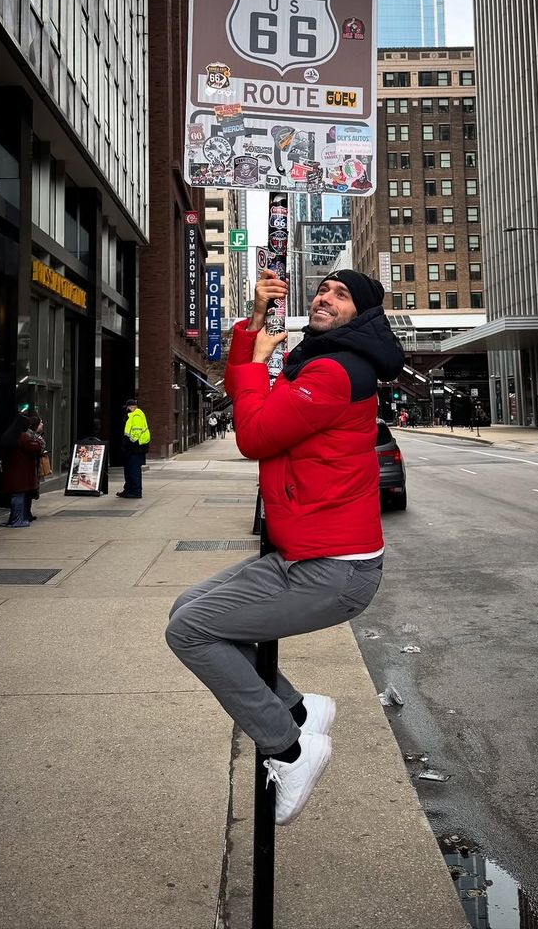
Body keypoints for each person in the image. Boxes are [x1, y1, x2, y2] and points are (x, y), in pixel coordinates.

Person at [165, 267, 404, 826]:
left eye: (342, 296)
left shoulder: (336, 371)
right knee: (187, 611)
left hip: (334, 570)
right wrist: (251, 325)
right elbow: (246, 397)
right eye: (323, 289)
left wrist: (253, 368)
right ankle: (299, 707)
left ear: (363, 314)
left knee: (189, 631)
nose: (325, 298)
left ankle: (290, 749)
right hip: (303, 555)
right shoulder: (318, 361)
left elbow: (253, 435)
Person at [0, 413, 43, 526]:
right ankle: (18, 520)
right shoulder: (23, 437)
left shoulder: (8, 436)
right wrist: (38, 441)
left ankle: (15, 518)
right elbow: (35, 447)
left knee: (15, 495)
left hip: (11, 471)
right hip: (22, 472)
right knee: (20, 496)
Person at [117, 399, 150, 499]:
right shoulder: (133, 415)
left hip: (135, 447)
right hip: (134, 447)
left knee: (133, 470)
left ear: (131, 407)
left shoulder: (136, 415)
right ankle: (128, 490)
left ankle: (136, 491)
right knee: (129, 469)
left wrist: (129, 442)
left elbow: (136, 432)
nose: (126, 409)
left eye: (127, 407)